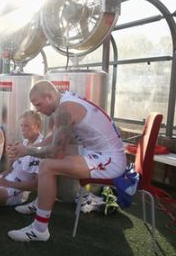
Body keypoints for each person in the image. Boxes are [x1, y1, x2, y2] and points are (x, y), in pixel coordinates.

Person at [7, 80, 126, 242]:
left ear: (49, 97)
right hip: (97, 152)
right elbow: (53, 137)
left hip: (110, 159)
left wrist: (27, 150)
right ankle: (40, 201)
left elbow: (56, 152)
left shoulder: (65, 109)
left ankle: (39, 229)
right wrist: (28, 147)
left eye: (38, 104)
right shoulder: (65, 101)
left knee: (48, 165)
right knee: (47, 162)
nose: (37, 110)